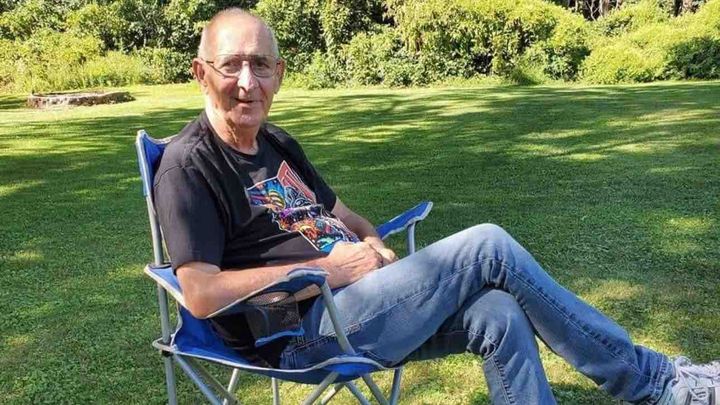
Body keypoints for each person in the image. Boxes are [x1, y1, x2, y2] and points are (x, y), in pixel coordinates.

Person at [153, 8, 720, 405]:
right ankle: (656, 384)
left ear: (279, 74)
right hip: (296, 333)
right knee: (487, 245)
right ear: (201, 73)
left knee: (497, 311)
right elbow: (201, 293)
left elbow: (345, 217)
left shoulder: (276, 142)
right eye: (231, 65)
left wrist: (370, 244)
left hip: (361, 299)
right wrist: (332, 269)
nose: (247, 82)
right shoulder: (189, 167)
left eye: (261, 65)